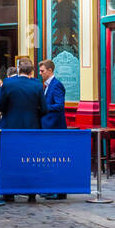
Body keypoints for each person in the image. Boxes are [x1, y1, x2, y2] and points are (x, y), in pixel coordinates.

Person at [0, 60, 44, 202]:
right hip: (31, 128)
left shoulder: (8, 83)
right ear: (31, 71)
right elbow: (44, 108)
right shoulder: (37, 84)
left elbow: (0, 105)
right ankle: (31, 193)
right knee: (30, 160)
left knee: (9, 159)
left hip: (10, 127)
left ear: (18, 69)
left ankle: (8, 192)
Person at [39, 58, 68, 201]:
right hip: (48, 127)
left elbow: (59, 105)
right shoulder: (46, 85)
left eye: (42, 71)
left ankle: (58, 191)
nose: (40, 73)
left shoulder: (56, 85)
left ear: (50, 71)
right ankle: (51, 189)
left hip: (54, 127)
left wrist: (43, 108)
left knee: (55, 160)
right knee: (49, 160)